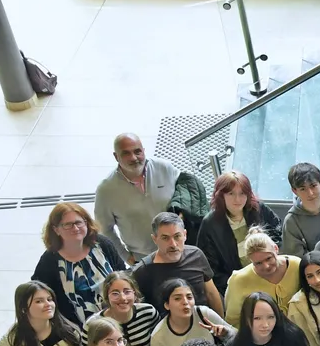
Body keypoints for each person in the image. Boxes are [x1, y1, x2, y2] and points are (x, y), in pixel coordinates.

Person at [34, 202, 127, 326]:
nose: (75, 228)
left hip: (120, 317)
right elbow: (38, 294)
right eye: (68, 225)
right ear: (56, 229)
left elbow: (123, 274)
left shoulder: (102, 244)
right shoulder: (49, 261)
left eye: (79, 222)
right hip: (80, 328)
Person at [93, 133, 181, 263]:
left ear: (143, 150)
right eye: (126, 153)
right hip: (145, 259)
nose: (134, 158)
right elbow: (104, 229)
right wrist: (125, 256)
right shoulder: (106, 190)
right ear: (116, 156)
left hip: (179, 249)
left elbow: (186, 191)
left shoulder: (165, 168)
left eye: (137, 151)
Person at [196, 170, 281, 295]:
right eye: (231, 193)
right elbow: (209, 266)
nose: (237, 199)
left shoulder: (258, 209)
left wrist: (270, 260)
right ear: (221, 195)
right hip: (236, 285)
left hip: (270, 273)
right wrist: (236, 283)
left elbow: (278, 233)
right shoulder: (210, 224)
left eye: (242, 193)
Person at [132, 212, 223, 313]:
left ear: (185, 235)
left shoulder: (196, 255)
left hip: (204, 319)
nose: (173, 244)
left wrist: (221, 321)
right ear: (155, 239)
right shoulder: (143, 271)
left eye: (177, 236)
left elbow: (211, 293)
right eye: (165, 238)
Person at [148, 279, 232, 346]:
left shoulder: (204, 313)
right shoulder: (158, 336)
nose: (185, 302)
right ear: (167, 305)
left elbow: (236, 336)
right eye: (177, 298)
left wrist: (226, 333)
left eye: (189, 297)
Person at [221, 231, 302, 325]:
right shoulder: (239, 280)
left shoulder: (296, 265)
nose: (266, 266)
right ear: (250, 260)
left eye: (269, 258)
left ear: (276, 248)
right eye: (258, 263)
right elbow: (233, 321)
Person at [92, 272, 157, 346]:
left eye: (127, 292)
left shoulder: (148, 312)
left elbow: (159, 345)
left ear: (134, 294)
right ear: (107, 297)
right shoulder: (93, 324)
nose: (122, 298)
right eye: (115, 293)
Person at [280, 162, 320, 257]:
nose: (310, 193)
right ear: (295, 191)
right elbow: (296, 257)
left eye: (313, 186)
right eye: (303, 189)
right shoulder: (292, 221)